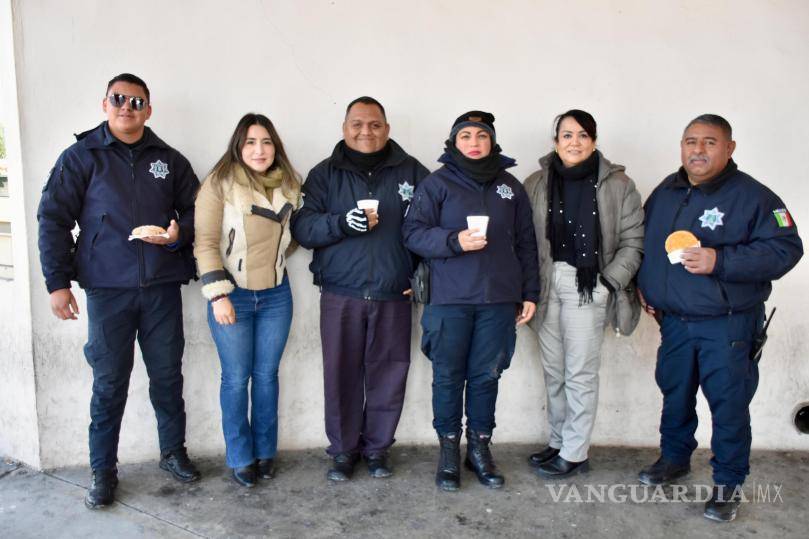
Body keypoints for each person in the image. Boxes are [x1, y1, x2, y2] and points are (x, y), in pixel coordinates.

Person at [37, 73, 201, 509]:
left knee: (167, 377)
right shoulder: (81, 157)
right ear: (104, 103)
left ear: (149, 109)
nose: (127, 106)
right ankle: (103, 471)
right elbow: (53, 220)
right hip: (108, 290)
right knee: (109, 384)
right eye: (118, 99)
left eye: (137, 100)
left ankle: (172, 452)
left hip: (162, 287)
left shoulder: (169, 159)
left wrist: (176, 233)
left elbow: (197, 209)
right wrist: (57, 284)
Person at [637, 114, 803, 522]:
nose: (698, 149)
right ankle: (674, 458)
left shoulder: (755, 198)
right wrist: (644, 284)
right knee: (675, 395)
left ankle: (728, 485)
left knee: (728, 406)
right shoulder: (667, 191)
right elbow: (645, 243)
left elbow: (787, 250)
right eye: (690, 141)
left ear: (729, 148)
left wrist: (720, 259)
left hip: (726, 324)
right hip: (674, 321)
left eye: (709, 142)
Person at [290, 96, 429, 481]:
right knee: (340, 374)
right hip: (341, 292)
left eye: (374, 124)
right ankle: (342, 451)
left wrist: (418, 279)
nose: (365, 131)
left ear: (386, 128)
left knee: (389, 372)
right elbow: (302, 228)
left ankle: (378, 449)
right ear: (344, 127)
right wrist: (341, 222)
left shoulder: (413, 173)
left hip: (394, 293)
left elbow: (431, 230)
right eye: (357, 124)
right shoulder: (324, 175)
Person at [402, 111, 539, 491]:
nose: (474, 142)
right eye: (465, 136)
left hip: (498, 300)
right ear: (454, 142)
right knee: (447, 377)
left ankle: (479, 448)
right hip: (449, 300)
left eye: (481, 135)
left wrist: (530, 292)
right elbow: (412, 234)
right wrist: (453, 241)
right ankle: (448, 450)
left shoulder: (510, 186)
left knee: (486, 376)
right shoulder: (436, 184)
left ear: (492, 141)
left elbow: (527, 243)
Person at [523, 110, 644, 478]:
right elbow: (524, 240)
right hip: (548, 282)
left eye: (582, 135)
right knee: (554, 371)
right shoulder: (536, 183)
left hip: (590, 284)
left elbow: (633, 242)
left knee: (579, 373)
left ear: (593, 140)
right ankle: (559, 441)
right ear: (555, 141)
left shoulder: (619, 184)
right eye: (566, 135)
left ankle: (575, 452)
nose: (574, 142)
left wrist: (608, 283)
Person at [194, 113, 301, 487]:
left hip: (276, 295)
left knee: (267, 377)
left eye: (267, 142)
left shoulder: (290, 184)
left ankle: (265, 451)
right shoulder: (219, 183)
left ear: (276, 147)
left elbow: (294, 235)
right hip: (231, 296)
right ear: (239, 146)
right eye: (251, 142)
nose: (260, 149)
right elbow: (205, 243)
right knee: (237, 380)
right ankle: (241, 457)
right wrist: (218, 295)